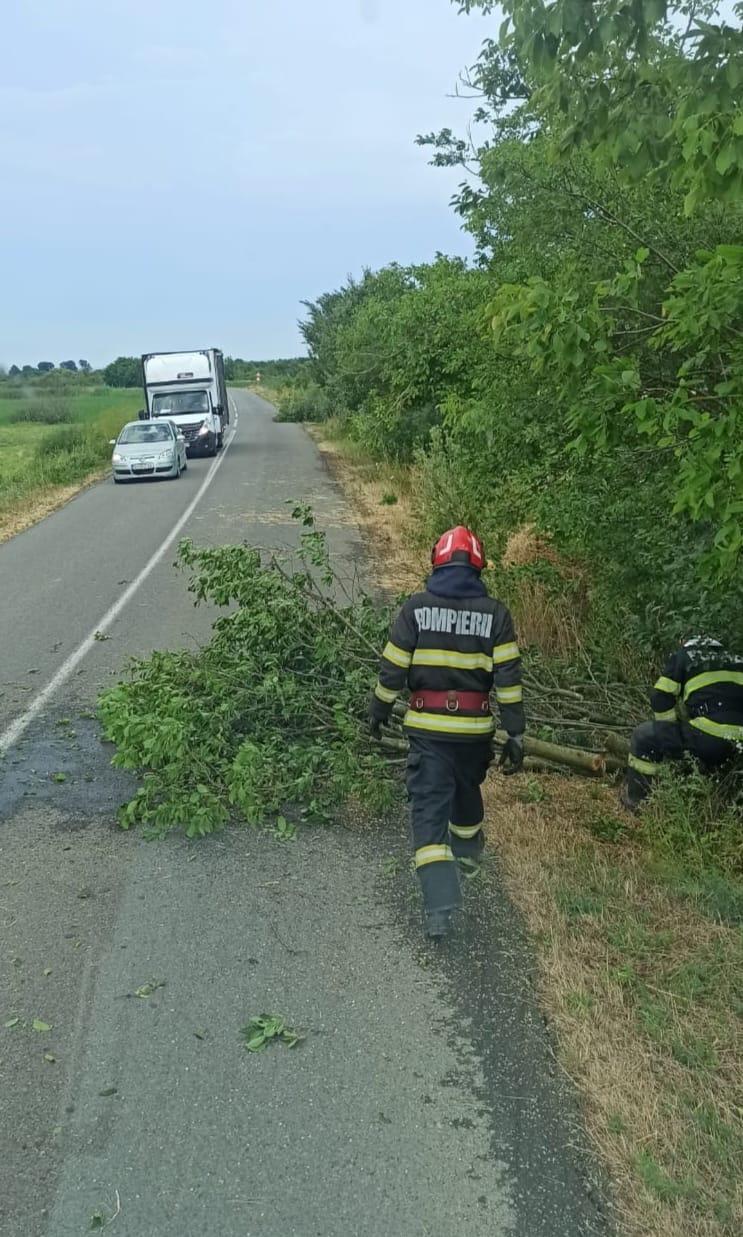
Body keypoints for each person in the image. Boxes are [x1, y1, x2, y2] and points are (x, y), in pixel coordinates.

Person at [369, 525, 525, 939]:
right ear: (478, 567)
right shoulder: (497, 614)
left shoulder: (415, 609)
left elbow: (393, 668)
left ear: (436, 562)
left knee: (429, 815)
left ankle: (439, 909)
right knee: (465, 787)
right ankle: (470, 853)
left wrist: (378, 709)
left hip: (429, 733)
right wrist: (516, 733)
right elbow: (508, 679)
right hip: (475, 734)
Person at [621, 635, 743, 811]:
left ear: (684, 640)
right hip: (739, 742)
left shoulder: (686, 655)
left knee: (643, 736)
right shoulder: (736, 658)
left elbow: (660, 696)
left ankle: (638, 802)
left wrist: (669, 730)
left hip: (711, 734)